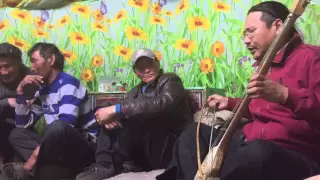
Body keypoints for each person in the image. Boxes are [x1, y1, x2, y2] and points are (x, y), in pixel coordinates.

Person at [156, 1, 320, 180]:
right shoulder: (263, 67)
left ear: (278, 26)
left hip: (293, 153)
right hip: (249, 144)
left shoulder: (312, 57)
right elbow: (260, 107)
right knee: (192, 135)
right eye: (244, 34)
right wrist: (229, 102)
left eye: (251, 31)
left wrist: (285, 94)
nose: (246, 40)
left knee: (258, 152)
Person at [76, 48, 194, 180]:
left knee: (130, 112)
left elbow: (162, 103)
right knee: (113, 115)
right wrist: (105, 113)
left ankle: (110, 165)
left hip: (171, 146)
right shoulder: (136, 90)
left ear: (157, 63)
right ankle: (104, 165)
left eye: (149, 64)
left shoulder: (170, 80)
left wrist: (117, 110)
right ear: (136, 72)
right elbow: (114, 105)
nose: (147, 70)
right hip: (147, 151)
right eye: (141, 67)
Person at [3, 42, 98, 180]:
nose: (32, 67)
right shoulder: (43, 90)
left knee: (57, 126)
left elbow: (66, 125)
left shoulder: (69, 83)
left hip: (83, 145)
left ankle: (42, 168)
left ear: (51, 60)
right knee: (16, 134)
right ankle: (55, 169)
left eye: (35, 61)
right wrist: (21, 93)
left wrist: (33, 158)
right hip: (57, 147)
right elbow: (22, 124)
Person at [0, 43, 30, 165]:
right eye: (0, 67)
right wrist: (6, 102)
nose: (3, 72)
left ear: (19, 63)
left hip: (26, 130)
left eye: (7, 66)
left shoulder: (32, 77)